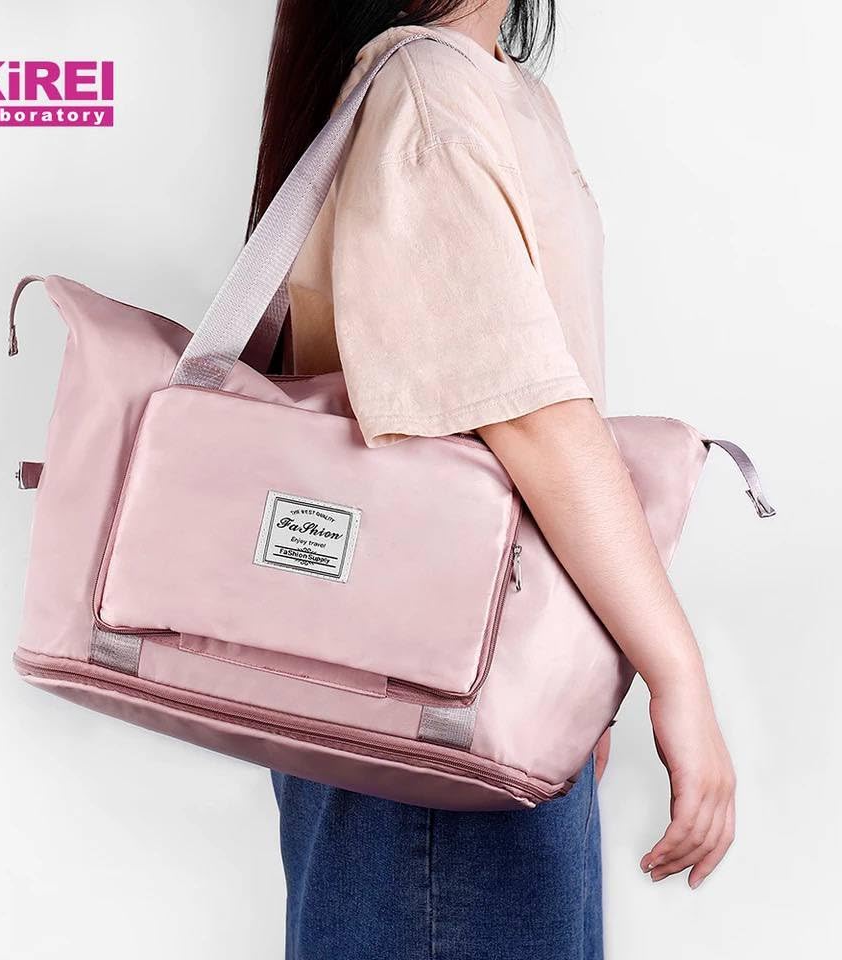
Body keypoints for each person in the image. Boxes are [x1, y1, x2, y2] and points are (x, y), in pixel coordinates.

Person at [249, 3, 736, 957]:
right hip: (433, 701)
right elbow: (530, 417)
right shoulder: (429, 90)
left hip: (463, 681)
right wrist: (675, 671)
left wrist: (575, 664)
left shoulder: (490, 87)